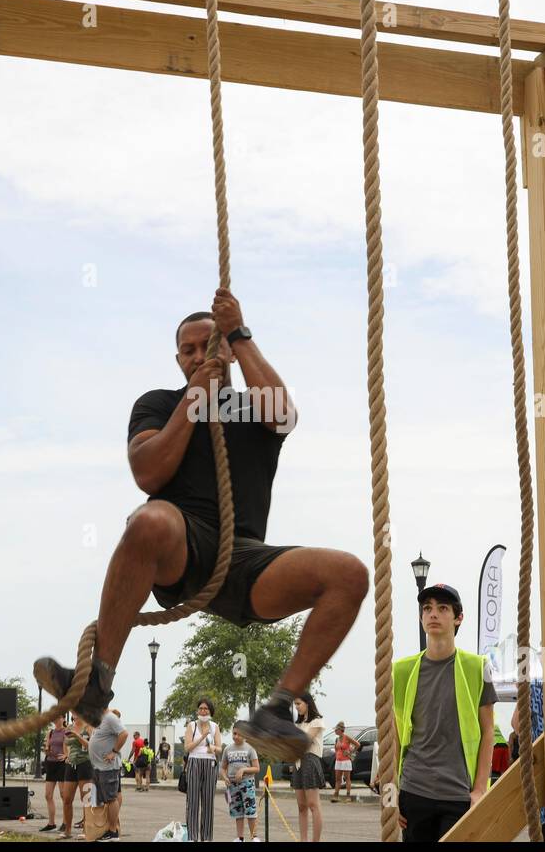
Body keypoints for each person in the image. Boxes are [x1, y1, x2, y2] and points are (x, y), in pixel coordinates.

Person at [32, 291, 369, 762]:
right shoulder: (157, 404)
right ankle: (96, 682)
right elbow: (148, 473)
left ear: (226, 350)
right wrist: (193, 402)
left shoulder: (252, 406)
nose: (198, 355)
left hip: (246, 560)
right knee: (147, 518)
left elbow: (284, 413)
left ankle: (276, 708)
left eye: (208, 344)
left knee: (349, 573)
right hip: (181, 547)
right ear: (177, 359)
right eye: (188, 350)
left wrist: (239, 334)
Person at [392, 583, 495, 843]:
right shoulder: (401, 671)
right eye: (427, 608)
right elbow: (392, 735)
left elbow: (488, 732)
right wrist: (389, 796)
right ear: (420, 617)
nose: (433, 613)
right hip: (414, 792)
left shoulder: (479, 667)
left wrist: (481, 789)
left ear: (459, 617)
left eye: (442, 608)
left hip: (459, 794)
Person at [183, 698, 222, 841]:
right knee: (192, 801)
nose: (203, 711)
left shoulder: (215, 726)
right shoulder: (191, 726)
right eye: (201, 708)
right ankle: (192, 837)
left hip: (210, 764)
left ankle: (206, 837)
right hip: (194, 762)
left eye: (206, 709)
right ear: (197, 710)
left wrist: (213, 748)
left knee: (208, 802)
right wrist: (202, 738)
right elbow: (187, 747)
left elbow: (219, 748)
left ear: (210, 711)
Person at [290, 692, 326, 842]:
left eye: (298, 704)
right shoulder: (298, 724)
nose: (296, 707)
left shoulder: (316, 721)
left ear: (307, 703)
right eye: (295, 704)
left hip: (310, 760)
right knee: (301, 806)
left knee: (313, 804)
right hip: (297, 762)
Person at [88, 707, 128, 841]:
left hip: (108, 767)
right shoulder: (99, 719)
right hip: (99, 767)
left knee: (111, 799)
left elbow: (124, 734)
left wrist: (114, 752)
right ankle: (109, 830)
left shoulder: (110, 717)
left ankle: (113, 832)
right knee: (107, 800)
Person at [220, 729, 261, 841]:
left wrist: (243, 770)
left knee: (250, 810)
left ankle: (254, 837)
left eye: (239, 734)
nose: (236, 736)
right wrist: (224, 777)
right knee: (237, 812)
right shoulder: (227, 749)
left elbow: (257, 768)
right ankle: (240, 837)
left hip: (247, 783)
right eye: (234, 733)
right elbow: (222, 768)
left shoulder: (250, 748)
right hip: (232, 785)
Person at [60, 716, 93, 839]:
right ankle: (67, 830)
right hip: (71, 764)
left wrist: (77, 735)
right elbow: (65, 742)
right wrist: (66, 755)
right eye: (73, 712)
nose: (75, 714)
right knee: (67, 798)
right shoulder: (69, 727)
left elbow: (91, 746)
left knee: (86, 799)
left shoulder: (88, 726)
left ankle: (86, 830)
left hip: (85, 763)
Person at [40, 716, 68, 832]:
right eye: (54, 718)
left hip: (61, 764)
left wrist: (66, 755)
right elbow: (47, 746)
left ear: (63, 719)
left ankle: (66, 823)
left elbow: (69, 747)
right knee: (48, 795)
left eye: (58, 718)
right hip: (51, 763)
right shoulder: (50, 732)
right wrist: (46, 749)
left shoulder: (66, 731)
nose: (56, 720)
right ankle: (51, 823)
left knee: (63, 795)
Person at [330, 722, 360, 802]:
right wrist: (337, 754)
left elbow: (357, 744)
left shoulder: (347, 737)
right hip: (338, 761)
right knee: (337, 779)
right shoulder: (337, 739)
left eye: (336, 730)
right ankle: (336, 796)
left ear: (340, 730)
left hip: (346, 761)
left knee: (347, 779)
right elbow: (336, 749)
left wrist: (350, 752)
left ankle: (348, 796)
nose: (335, 731)